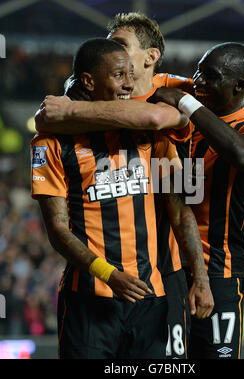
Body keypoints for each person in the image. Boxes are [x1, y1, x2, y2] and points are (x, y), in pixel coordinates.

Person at [35, 12, 214, 359]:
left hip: (160, 290)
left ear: (150, 58)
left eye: (129, 71)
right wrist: (108, 274)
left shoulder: (164, 111)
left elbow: (181, 208)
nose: (128, 83)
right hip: (89, 299)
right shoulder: (50, 143)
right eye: (119, 74)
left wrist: (200, 278)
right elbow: (57, 230)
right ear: (88, 81)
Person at [147, 42, 244, 359]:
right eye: (197, 71)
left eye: (210, 76)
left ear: (238, 86)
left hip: (218, 266)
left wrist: (184, 101)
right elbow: (116, 80)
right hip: (166, 266)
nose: (198, 80)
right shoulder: (187, 95)